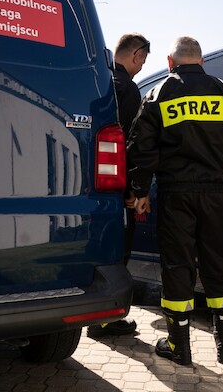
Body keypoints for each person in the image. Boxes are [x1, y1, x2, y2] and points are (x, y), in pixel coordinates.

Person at [126, 36, 223, 365]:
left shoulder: (158, 93)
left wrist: (140, 191)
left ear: (170, 63)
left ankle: (178, 346)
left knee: (178, 265)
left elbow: (141, 149)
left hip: (176, 195)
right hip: (216, 194)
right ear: (201, 62)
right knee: (221, 265)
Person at [87, 33, 150, 338]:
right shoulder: (128, 88)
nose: (141, 66)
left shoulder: (99, 82)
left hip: (88, 186)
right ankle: (106, 320)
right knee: (119, 249)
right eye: (144, 60)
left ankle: (95, 313)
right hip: (115, 187)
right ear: (137, 55)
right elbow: (130, 145)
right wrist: (133, 191)